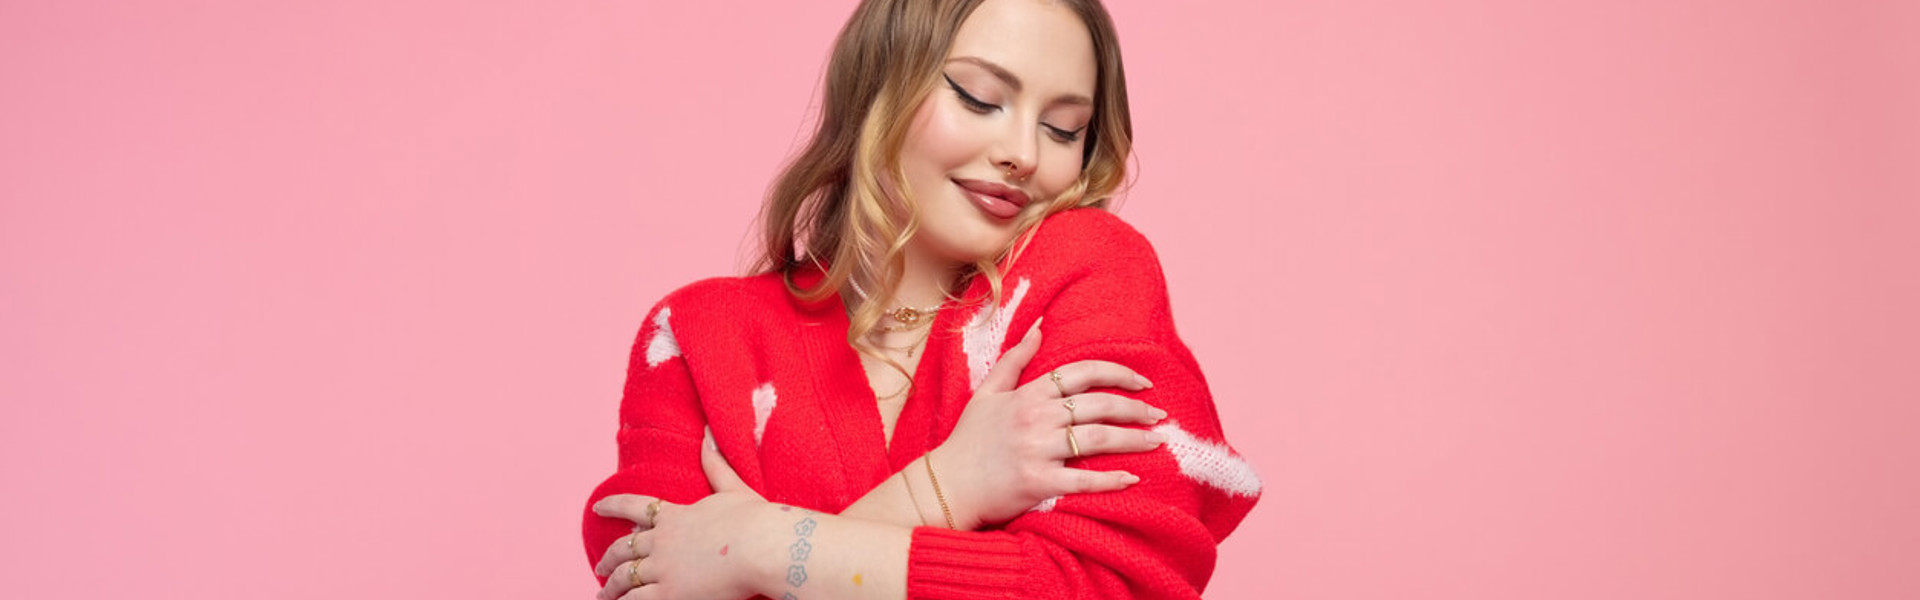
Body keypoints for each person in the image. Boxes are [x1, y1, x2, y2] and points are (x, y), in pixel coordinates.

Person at [581, 0, 1261, 598]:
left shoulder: (1089, 278)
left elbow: (1116, 588)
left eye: (1062, 129)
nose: (1022, 152)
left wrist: (754, 549)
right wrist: (948, 487)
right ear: (877, 85)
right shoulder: (699, 337)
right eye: (977, 96)